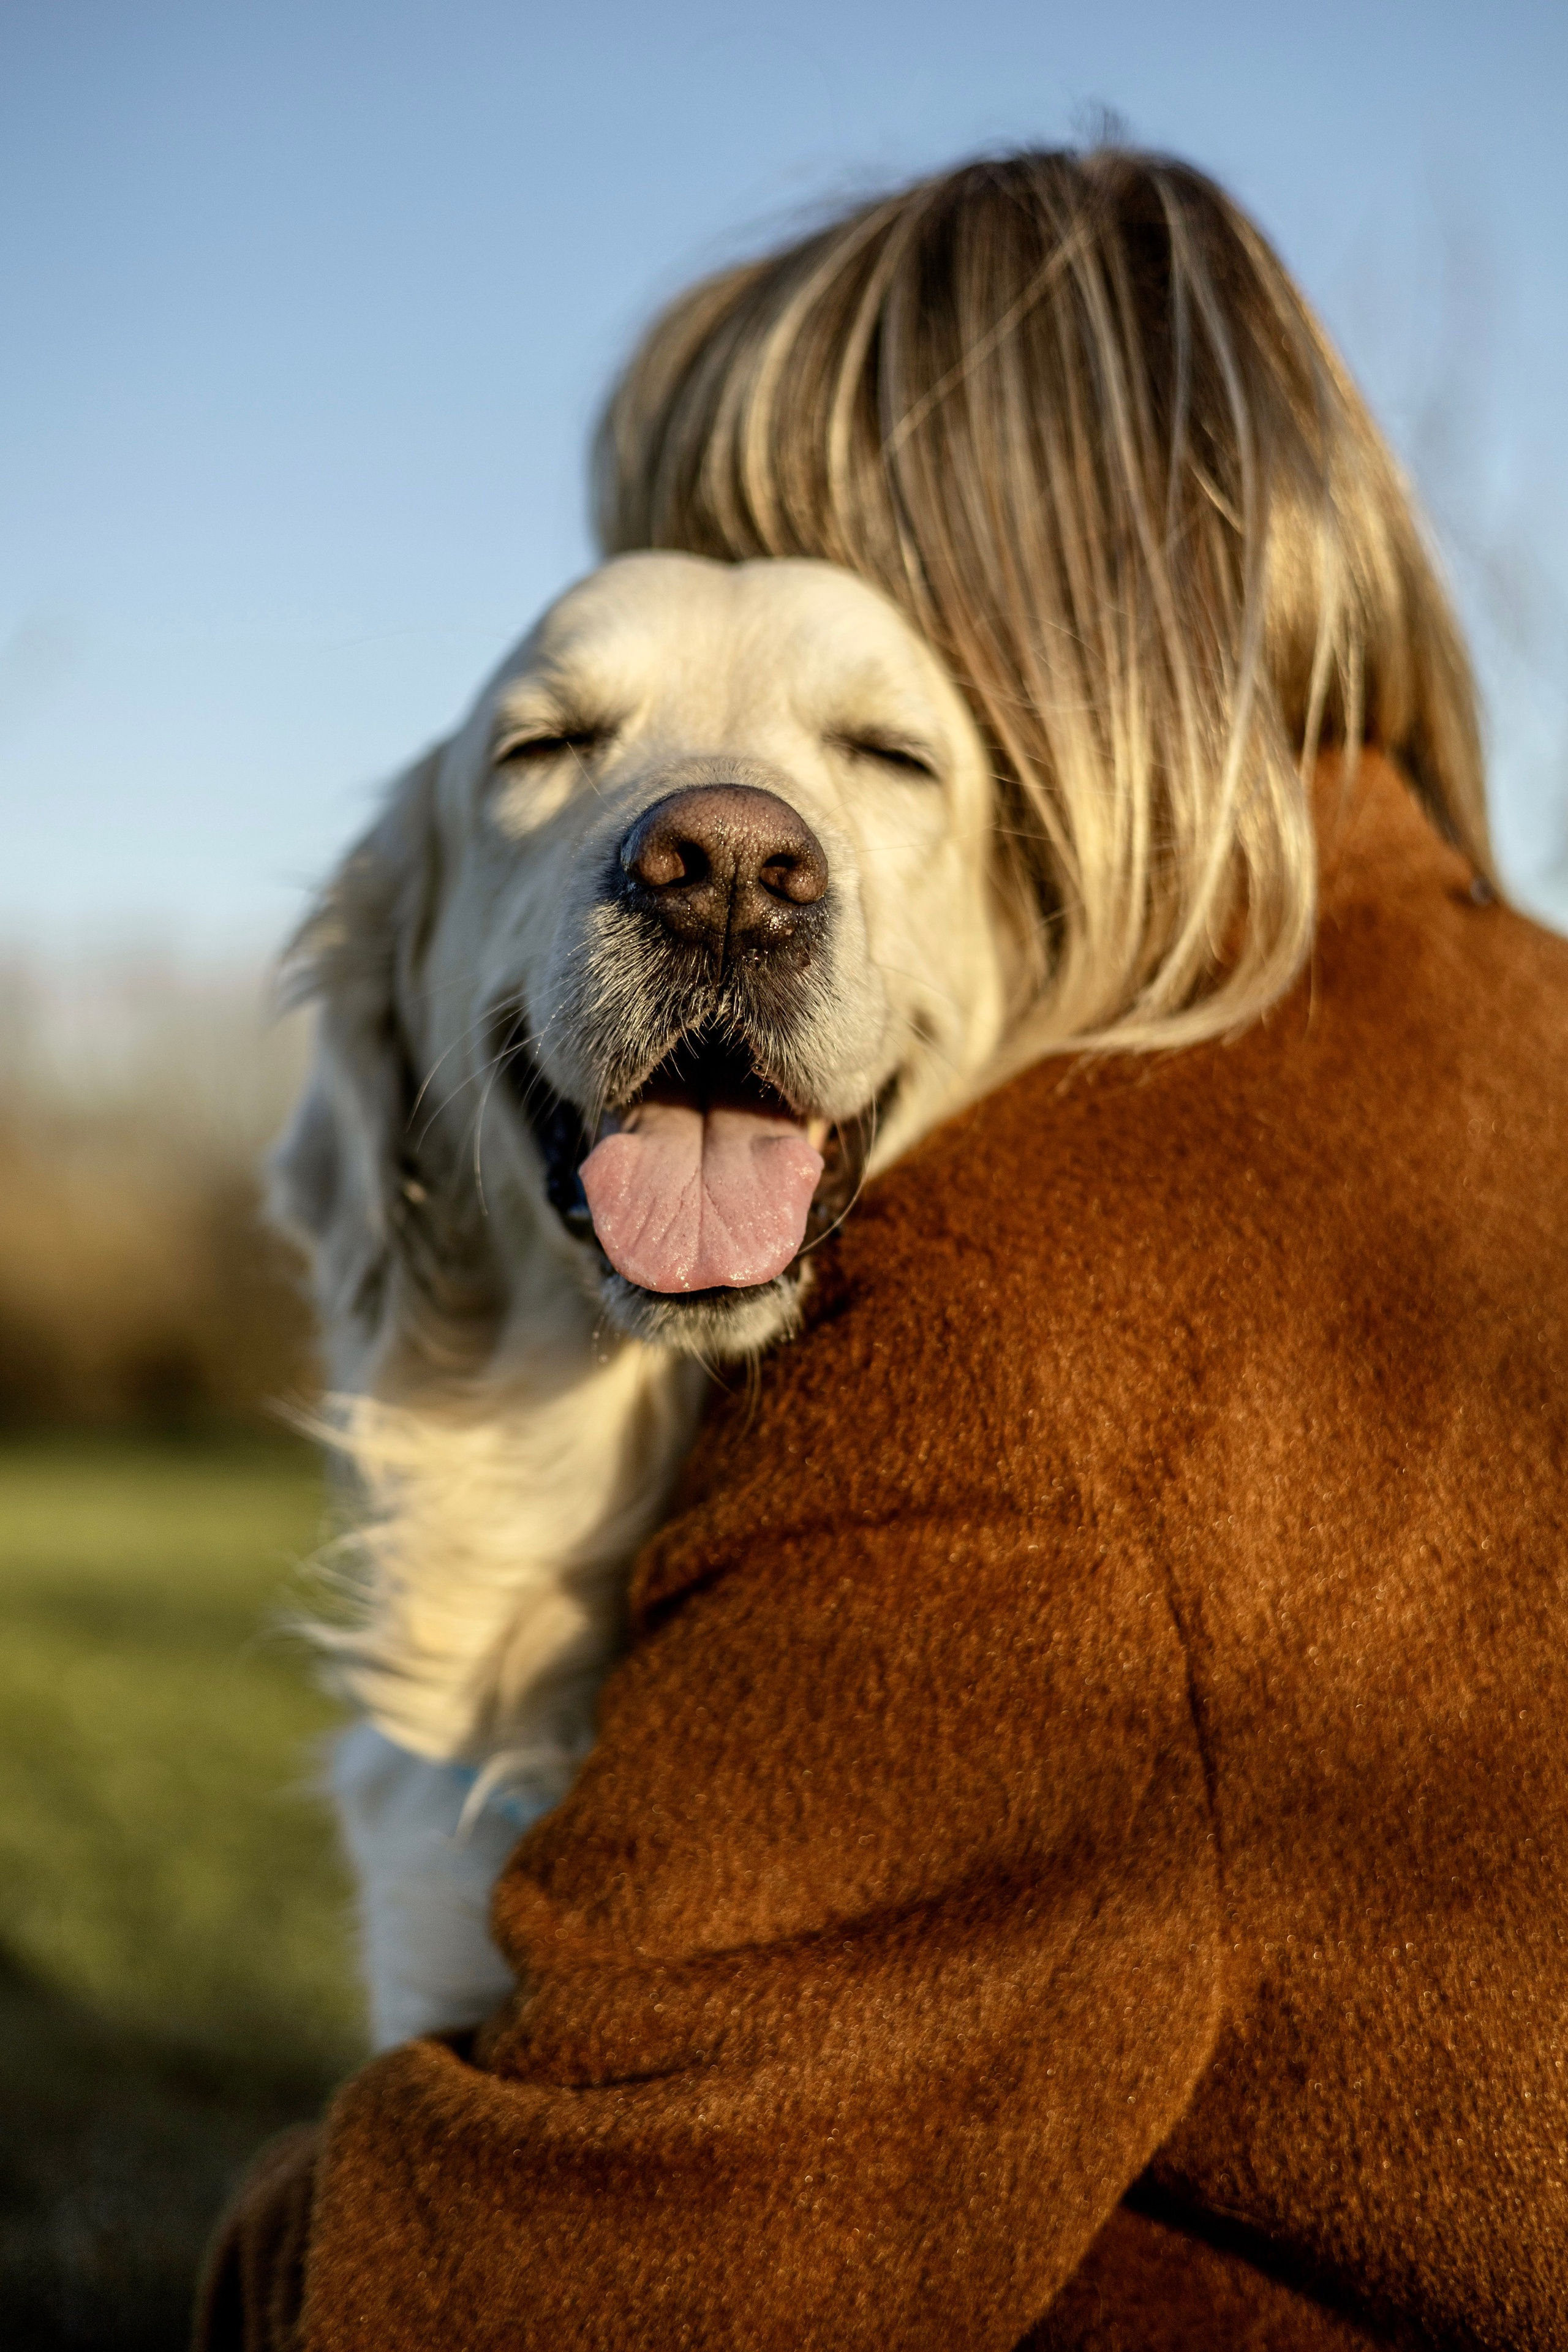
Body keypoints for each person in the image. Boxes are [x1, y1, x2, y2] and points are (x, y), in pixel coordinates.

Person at [198, 150, 1568, 2350]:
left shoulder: (1009, 1356)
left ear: (1039, 675)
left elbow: (538, 2308)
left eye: (877, 727)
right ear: (391, 1014)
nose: (723, 836)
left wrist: (282, 2246)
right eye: (565, 743)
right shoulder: (1518, 1016)